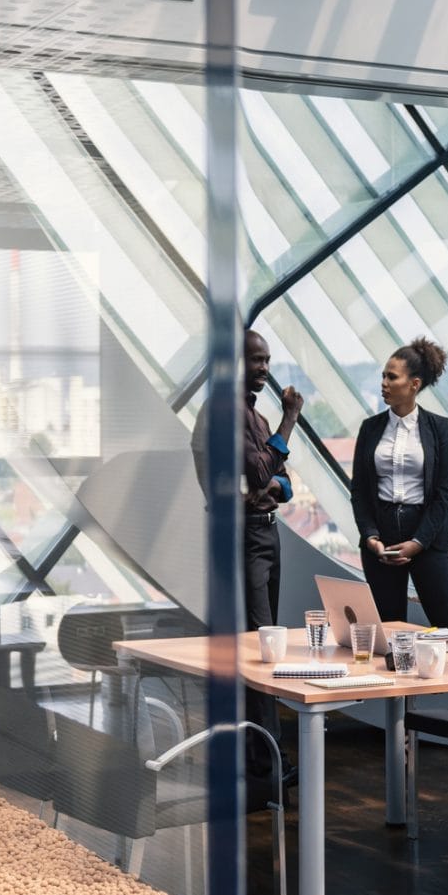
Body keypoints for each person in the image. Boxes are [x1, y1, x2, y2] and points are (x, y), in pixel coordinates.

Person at [191, 330, 300, 791]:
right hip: (244, 534)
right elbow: (259, 470)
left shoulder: (249, 414)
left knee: (263, 637)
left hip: (262, 532)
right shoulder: (226, 412)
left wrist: (275, 486)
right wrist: (290, 418)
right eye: (256, 360)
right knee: (260, 643)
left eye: (268, 359)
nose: (265, 368)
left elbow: (281, 480)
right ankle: (266, 762)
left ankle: (262, 754)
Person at [352, 338, 448, 698]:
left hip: (429, 540)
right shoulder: (370, 429)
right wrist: (371, 537)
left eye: (392, 377)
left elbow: (445, 494)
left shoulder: (439, 429)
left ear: (414, 384)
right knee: (391, 642)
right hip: (381, 543)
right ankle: (399, 735)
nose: (384, 383)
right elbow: (360, 492)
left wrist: (418, 542)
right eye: (383, 376)